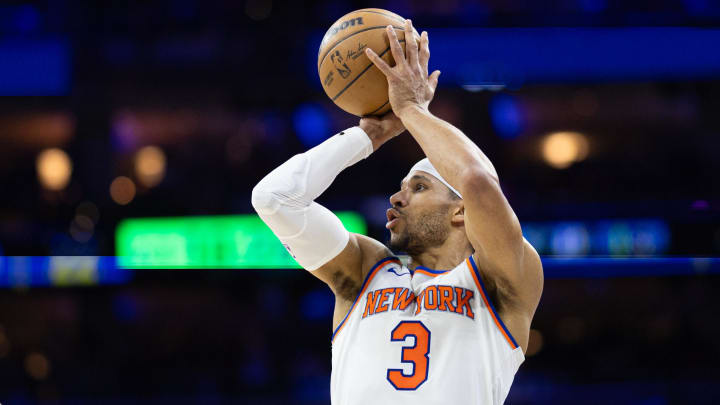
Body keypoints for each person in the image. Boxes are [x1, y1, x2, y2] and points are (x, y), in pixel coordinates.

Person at [252, 19, 543, 405]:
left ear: (461, 212)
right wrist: (368, 136)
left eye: (418, 187)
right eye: (401, 189)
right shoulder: (364, 271)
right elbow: (274, 198)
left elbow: (476, 182)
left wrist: (412, 109)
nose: (396, 199)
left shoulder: (499, 280)